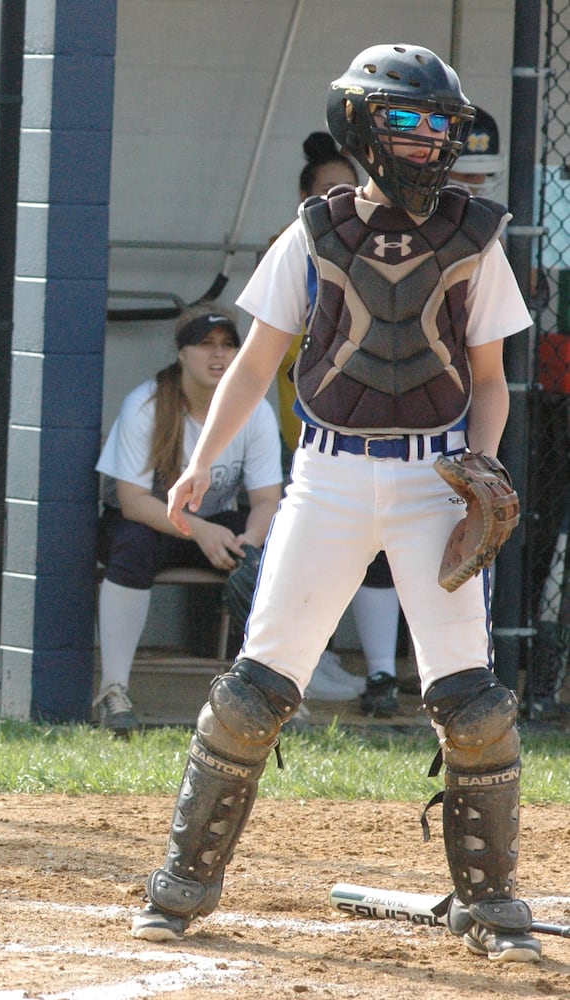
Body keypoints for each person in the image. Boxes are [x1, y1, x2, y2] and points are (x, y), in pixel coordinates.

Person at [130, 45, 540, 963]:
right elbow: (255, 361)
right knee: (254, 690)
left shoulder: (476, 234)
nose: (431, 143)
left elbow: (488, 379)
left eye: (442, 126)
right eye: (411, 123)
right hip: (331, 474)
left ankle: (490, 903)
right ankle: (181, 886)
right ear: (363, 128)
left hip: (436, 480)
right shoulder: (314, 232)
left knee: (471, 703)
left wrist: (482, 461)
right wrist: (200, 463)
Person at [93, 305, 283, 734]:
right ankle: (113, 691)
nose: (218, 356)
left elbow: (268, 499)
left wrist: (248, 544)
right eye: (204, 345)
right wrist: (199, 530)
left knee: (274, 552)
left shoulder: (254, 409)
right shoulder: (146, 404)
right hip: (154, 523)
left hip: (215, 527)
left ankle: (269, 694)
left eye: (228, 345)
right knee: (131, 545)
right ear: (181, 353)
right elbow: (132, 501)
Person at [275, 132, 405, 718]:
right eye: (325, 189)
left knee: (378, 554)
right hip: (298, 430)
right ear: (305, 195)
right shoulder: (294, 247)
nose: (337, 198)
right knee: (308, 557)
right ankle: (298, 667)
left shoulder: (376, 251)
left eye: (344, 187)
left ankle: (381, 672)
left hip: (365, 435)